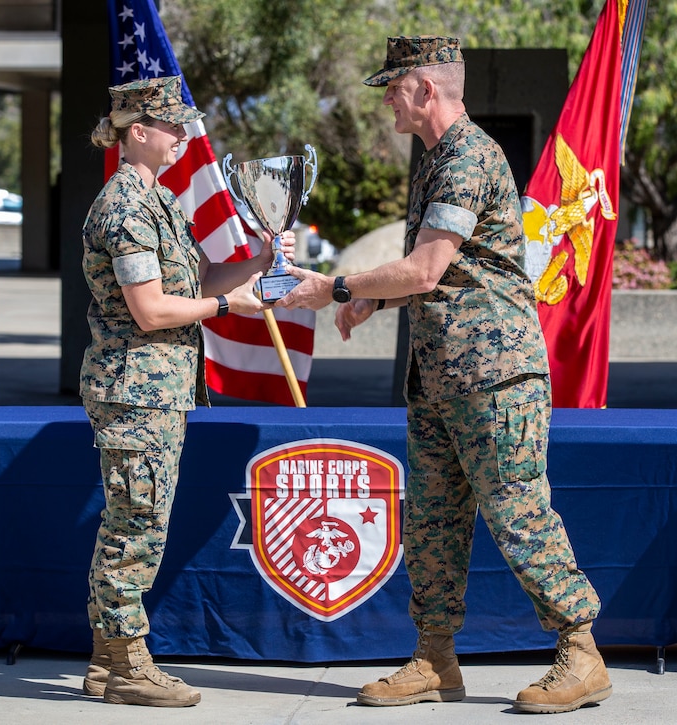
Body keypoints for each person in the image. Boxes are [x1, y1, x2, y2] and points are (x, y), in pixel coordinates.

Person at [276, 36, 611, 714]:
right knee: (433, 522)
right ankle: (435, 656)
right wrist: (373, 297)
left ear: (427, 90)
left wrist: (335, 288)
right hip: (440, 377)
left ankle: (581, 650)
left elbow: (427, 267)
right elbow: (446, 271)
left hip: (493, 376)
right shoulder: (436, 161)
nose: (387, 100)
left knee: (518, 512)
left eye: (393, 88)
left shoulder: (466, 156)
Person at [79, 74, 294, 708]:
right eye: (172, 126)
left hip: (159, 390)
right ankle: (125, 661)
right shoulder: (122, 206)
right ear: (135, 132)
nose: (184, 135)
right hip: (135, 389)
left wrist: (263, 258)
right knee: (135, 524)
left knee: (139, 518)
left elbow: (196, 276)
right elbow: (149, 309)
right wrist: (229, 305)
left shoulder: (161, 202)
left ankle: (105, 661)